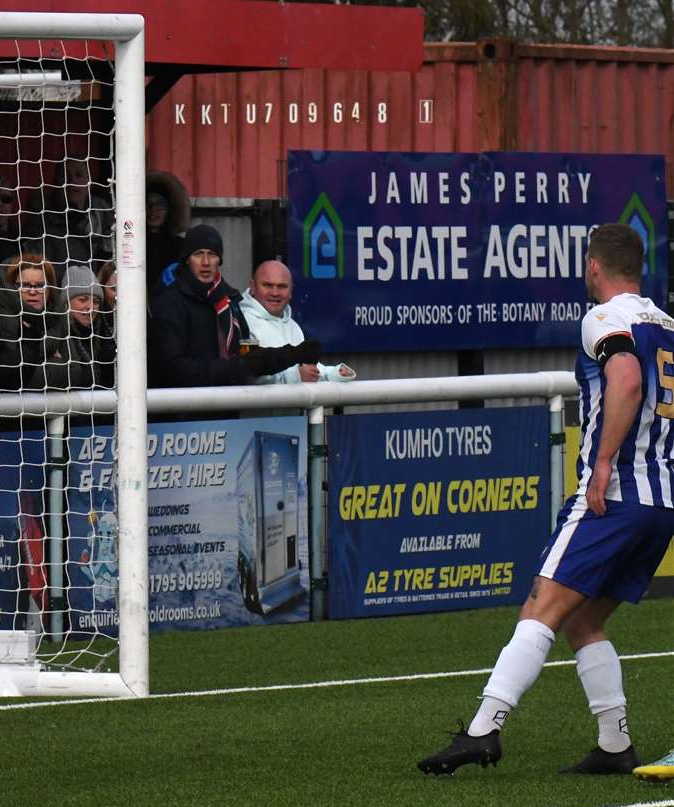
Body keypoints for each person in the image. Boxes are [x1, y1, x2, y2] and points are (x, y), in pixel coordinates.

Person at [418, 224, 674, 778]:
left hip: (617, 492)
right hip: (661, 500)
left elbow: (626, 381)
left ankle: (484, 731)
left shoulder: (606, 317)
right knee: (582, 620)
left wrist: (602, 461)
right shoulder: (668, 325)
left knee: (540, 609)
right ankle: (614, 744)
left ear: (594, 267)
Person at [147, 225, 316, 388]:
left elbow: (249, 356)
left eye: (212, 254)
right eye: (198, 254)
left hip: (228, 408)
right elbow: (173, 367)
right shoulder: (169, 301)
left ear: (219, 260)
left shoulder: (230, 301)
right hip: (183, 411)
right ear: (186, 260)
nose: (205, 262)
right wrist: (233, 369)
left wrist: (293, 354)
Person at [239, 260, 356, 384]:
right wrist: (295, 377)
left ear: (291, 291)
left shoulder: (292, 326)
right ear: (252, 286)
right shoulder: (242, 323)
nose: (275, 293)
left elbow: (308, 368)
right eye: (267, 285)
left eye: (282, 286)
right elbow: (248, 372)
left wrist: (333, 373)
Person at [0, 253, 67, 391]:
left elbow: (76, 371)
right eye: (25, 285)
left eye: (40, 285)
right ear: (12, 287)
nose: (32, 291)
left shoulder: (59, 318)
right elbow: (12, 377)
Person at [40, 265, 116, 390]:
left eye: (96, 301)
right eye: (83, 299)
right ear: (66, 302)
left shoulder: (104, 337)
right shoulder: (54, 336)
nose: (90, 307)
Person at [145, 170, 191, 295]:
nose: (153, 210)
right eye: (148, 204)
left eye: (159, 204)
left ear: (169, 210)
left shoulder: (180, 247)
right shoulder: (130, 243)